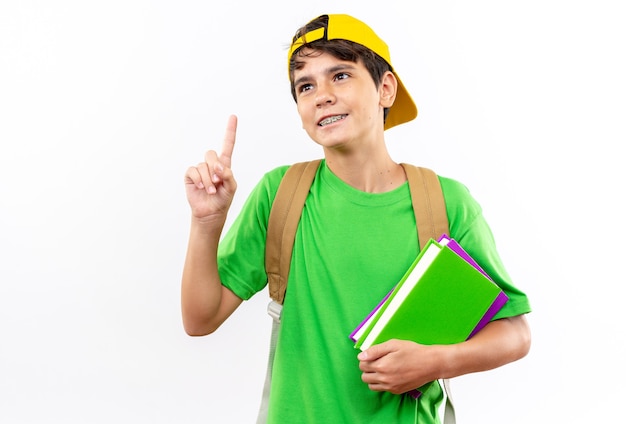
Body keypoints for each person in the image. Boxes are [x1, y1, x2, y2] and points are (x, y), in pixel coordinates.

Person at [181, 13, 531, 423]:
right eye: (305, 86)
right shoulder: (281, 194)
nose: (321, 96)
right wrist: (207, 224)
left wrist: (435, 361)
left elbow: (515, 334)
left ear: (385, 89)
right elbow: (199, 318)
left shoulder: (444, 202)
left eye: (341, 76)